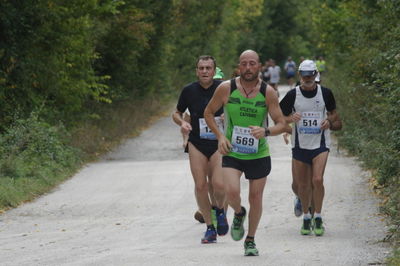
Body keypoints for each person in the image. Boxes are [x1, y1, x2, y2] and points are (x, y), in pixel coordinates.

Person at [204, 50, 287, 256]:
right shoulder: (226, 88)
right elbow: (208, 113)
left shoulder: (268, 92)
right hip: (233, 151)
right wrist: (221, 137)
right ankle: (239, 213)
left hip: (258, 153)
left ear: (259, 66)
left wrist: (265, 131)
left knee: (255, 197)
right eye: (244, 64)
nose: (248, 68)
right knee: (231, 192)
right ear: (238, 67)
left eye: (252, 64)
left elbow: (282, 124)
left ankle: (250, 240)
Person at [279, 59, 342, 236]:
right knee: (302, 185)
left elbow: (334, 114)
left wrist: (328, 121)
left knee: (317, 180)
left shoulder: (325, 93)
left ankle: (318, 216)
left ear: (315, 74)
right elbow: (279, 117)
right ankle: (306, 217)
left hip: (320, 144)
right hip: (300, 145)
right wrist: (291, 119)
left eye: (311, 74)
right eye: (304, 75)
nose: (307, 78)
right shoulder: (293, 95)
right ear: (300, 75)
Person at [172, 56, 228, 244]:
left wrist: (228, 124)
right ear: (196, 71)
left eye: (208, 68)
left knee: (219, 185)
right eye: (201, 68)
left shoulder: (224, 89)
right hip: (197, 142)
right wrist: (182, 124)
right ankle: (210, 228)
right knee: (200, 185)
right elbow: (177, 112)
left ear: (214, 70)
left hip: (218, 142)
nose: (204, 71)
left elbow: (235, 110)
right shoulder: (189, 91)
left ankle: (219, 210)